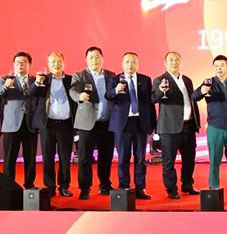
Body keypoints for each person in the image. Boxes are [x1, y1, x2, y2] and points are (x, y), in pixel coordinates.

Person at [192, 54, 227, 199]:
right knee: (215, 159)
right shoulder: (208, 83)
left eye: (222, 65)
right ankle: (213, 186)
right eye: (216, 66)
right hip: (215, 127)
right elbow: (194, 97)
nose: (219, 68)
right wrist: (202, 91)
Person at [69, 46, 117, 200]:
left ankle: (105, 185)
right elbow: (73, 90)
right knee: (85, 158)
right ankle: (85, 188)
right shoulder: (80, 75)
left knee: (106, 157)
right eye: (91, 57)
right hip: (87, 123)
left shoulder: (111, 75)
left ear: (102, 58)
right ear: (86, 59)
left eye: (97, 57)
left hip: (106, 122)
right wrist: (79, 96)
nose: (94, 60)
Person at [153, 51, 201, 199]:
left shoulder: (187, 80)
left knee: (189, 159)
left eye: (176, 60)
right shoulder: (160, 80)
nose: (174, 62)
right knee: (169, 161)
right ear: (165, 63)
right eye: (171, 60)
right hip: (170, 127)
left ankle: (187, 184)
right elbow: (154, 98)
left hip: (188, 125)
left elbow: (192, 101)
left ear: (181, 62)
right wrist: (160, 91)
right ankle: (171, 188)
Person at [106, 52, 154, 199]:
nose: (130, 65)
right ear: (122, 64)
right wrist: (116, 89)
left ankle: (140, 188)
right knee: (123, 157)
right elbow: (108, 95)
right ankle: (124, 186)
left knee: (140, 158)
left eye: (133, 62)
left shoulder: (145, 80)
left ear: (137, 64)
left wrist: (153, 123)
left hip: (140, 123)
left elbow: (150, 103)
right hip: (122, 124)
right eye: (127, 62)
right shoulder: (115, 79)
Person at [28, 52, 75, 197]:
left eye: (59, 61)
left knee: (65, 157)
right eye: (53, 62)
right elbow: (30, 93)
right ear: (48, 64)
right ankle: (50, 186)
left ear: (64, 63)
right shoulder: (43, 79)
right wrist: (37, 82)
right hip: (47, 125)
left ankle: (64, 186)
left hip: (66, 124)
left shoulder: (71, 80)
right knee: (48, 157)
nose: (56, 64)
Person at [0, 52, 38, 188]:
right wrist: (6, 86)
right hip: (11, 123)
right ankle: (9, 186)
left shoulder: (35, 80)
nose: (20, 64)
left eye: (24, 62)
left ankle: (29, 184)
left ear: (29, 64)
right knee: (10, 158)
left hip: (30, 123)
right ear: (13, 64)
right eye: (17, 62)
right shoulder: (5, 79)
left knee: (30, 158)